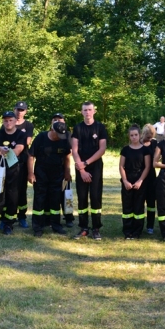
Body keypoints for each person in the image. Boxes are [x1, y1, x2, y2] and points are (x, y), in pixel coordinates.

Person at [28, 116, 71, 237]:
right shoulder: (41, 137)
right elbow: (31, 156)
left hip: (57, 173)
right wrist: (30, 173)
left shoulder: (63, 138)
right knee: (39, 200)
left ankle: (56, 225)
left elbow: (67, 156)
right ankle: (38, 226)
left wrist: (67, 172)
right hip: (41, 173)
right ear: (52, 130)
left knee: (55, 200)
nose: (60, 137)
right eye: (58, 134)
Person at [71, 101, 108, 241]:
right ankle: (83, 228)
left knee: (95, 196)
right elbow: (74, 150)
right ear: (81, 112)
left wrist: (86, 163)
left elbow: (102, 149)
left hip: (95, 166)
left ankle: (96, 228)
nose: (87, 112)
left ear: (94, 111)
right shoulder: (77, 128)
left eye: (89, 109)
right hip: (80, 167)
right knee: (82, 197)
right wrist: (81, 169)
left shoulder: (100, 127)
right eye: (85, 110)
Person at [119, 124, 151, 240]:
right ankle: (128, 231)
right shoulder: (125, 150)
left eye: (136, 135)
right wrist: (125, 181)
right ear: (129, 136)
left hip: (140, 180)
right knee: (127, 207)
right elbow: (121, 166)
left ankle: (137, 231)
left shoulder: (145, 150)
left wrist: (140, 181)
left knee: (138, 207)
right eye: (131, 135)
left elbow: (147, 167)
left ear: (140, 135)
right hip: (128, 179)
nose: (134, 137)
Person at [13, 101, 34, 229]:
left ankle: (22, 217)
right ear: (14, 110)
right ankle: (8, 216)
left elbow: (27, 141)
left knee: (21, 190)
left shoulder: (28, 125)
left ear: (25, 111)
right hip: (9, 160)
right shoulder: (8, 123)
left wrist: (13, 143)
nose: (19, 112)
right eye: (17, 109)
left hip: (23, 160)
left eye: (22, 110)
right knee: (9, 190)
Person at [140, 123, 158, 234]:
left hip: (151, 175)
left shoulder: (154, 143)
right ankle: (139, 225)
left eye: (151, 135)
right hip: (139, 175)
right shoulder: (138, 143)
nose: (149, 138)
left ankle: (150, 226)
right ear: (144, 133)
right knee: (139, 201)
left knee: (151, 202)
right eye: (148, 135)